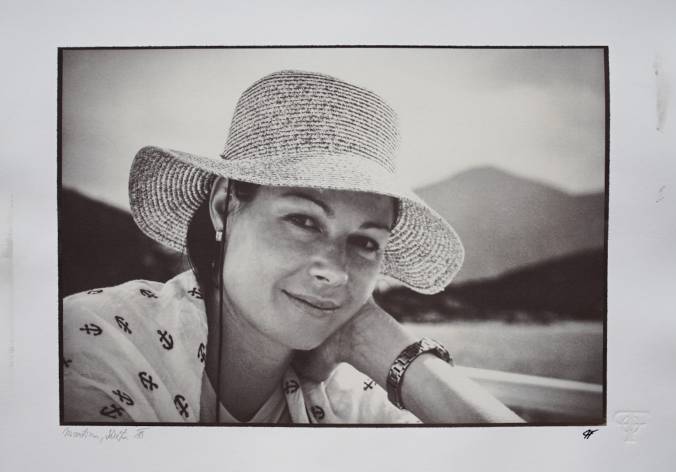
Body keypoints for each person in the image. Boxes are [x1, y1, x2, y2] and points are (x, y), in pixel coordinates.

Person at [62, 70, 524, 424]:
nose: (336, 271)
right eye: (303, 220)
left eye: (365, 242)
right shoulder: (92, 341)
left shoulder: (350, 398)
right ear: (224, 206)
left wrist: (382, 344)